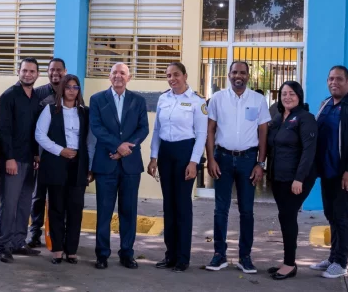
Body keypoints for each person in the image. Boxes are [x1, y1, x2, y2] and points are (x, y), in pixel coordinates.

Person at [205, 61, 271, 274]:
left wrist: (261, 163)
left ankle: (245, 257)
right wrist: (211, 159)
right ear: (228, 75)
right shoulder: (217, 98)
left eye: (242, 72)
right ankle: (219, 254)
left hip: (248, 160)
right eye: (234, 72)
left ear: (248, 75)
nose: (238, 76)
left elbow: (263, 133)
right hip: (222, 158)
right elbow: (210, 130)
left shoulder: (259, 100)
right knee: (220, 209)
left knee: (247, 211)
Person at [310, 65, 348, 279]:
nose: (334, 82)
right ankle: (333, 256)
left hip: (345, 174)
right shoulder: (325, 104)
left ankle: (341, 262)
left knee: (342, 217)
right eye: (331, 79)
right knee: (331, 215)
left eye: (339, 79)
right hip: (326, 172)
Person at [147, 62, 208, 272]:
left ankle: (183, 257)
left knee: (182, 206)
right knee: (168, 206)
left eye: (176, 75)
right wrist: (153, 157)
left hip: (185, 154)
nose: (172, 79)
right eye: (168, 75)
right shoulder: (164, 98)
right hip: (166, 153)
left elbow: (201, 134)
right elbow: (157, 130)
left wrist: (193, 162)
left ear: (185, 75)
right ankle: (170, 254)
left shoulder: (197, 101)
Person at [89, 62, 149, 270]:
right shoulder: (97, 99)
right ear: (109, 76)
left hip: (130, 165)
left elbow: (143, 128)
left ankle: (127, 253)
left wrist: (126, 148)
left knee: (128, 211)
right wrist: (117, 146)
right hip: (106, 163)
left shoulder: (138, 100)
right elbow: (96, 127)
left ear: (129, 77)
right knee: (104, 211)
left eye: (122, 73)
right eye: (114, 72)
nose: (118, 76)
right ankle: (102, 254)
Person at [35, 74, 95, 265]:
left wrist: (90, 166)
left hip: (79, 164)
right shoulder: (50, 110)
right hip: (56, 162)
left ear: (79, 91)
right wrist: (60, 150)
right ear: (62, 89)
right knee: (56, 207)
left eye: (75, 87)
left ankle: (72, 250)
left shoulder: (85, 112)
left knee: (76, 208)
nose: (71, 90)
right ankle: (58, 249)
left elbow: (90, 141)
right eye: (68, 87)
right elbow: (39, 135)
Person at [266, 81, 317, 281]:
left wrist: (299, 179)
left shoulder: (306, 118)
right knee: (284, 217)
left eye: (291, 93)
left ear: (299, 96)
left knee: (288, 217)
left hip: (296, 179)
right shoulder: (280, 117)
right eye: (284, 93)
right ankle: (288, 261)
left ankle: (290, 264)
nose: (287, 97)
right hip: (279, 177)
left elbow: (309, 151)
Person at [0, 58, 43, 263]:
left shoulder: (36, 97)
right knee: (9, 204)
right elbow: (4, 130)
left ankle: (18, 242)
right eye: (25, 70)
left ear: (37, 74)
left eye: (32, 71)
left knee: (25, 204)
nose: (28, 74)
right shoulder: (8, 96)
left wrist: (36, 154)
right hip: (13, 161)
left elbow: (35, 130)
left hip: (30, 161)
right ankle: (3, 245)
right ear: (18, 71)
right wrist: (9, 158)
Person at [28, 58, 67, 248]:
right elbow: (31, 125)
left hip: (63, 155)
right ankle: (34, 233)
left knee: (59, 197)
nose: (55, 73)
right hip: (42, 154)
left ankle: (58, 235)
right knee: (38, 195)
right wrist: (35, 153)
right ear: (47, 72)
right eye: (52, 70)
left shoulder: (70, 92)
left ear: (65, 71)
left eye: (59, 70)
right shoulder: (38, 94)